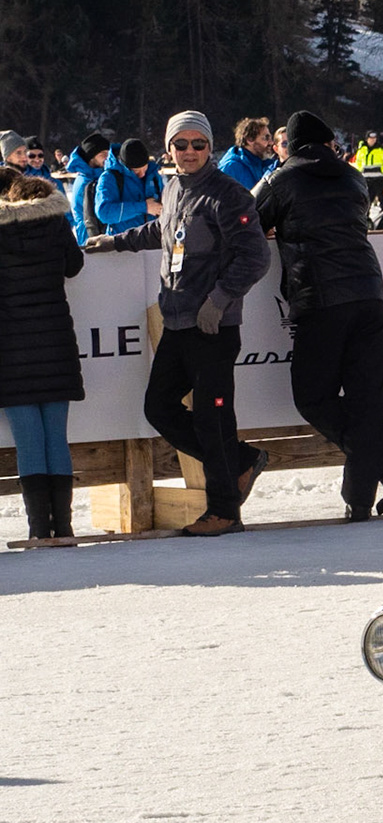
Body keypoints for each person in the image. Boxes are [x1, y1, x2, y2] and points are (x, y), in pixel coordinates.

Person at [94, 110, 272, 537]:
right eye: (181, 144)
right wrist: (115, 241)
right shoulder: (174, 187)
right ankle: (241, 462)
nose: (189, 152)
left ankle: (224, 510)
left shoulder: (228, 195)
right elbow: (164, 231)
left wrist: (219, 301)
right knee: (159, 407)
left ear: (211, 148)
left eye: (198, 144)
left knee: (214, 419)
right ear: (168, 148)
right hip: (176, 321)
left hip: (212, 326)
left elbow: (256, 256)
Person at [253, 111, 383, 522]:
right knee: (367, 402)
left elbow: (248, 219)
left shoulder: (282, 179)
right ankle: (362, 499)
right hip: (369, 291)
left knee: (312, 396)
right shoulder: (352, 178)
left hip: (321, 296)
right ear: (328, 143)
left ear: (289, 146)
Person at [0, 170, 86, 542]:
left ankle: (39, 530)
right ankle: (63, 527)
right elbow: (74, 265)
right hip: (55, 343)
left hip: (10, 349)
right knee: (56, 438)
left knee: (29, 443)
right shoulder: (54, 221)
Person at [95, 139, 164, 236]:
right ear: (125, 166)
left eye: (144, 168)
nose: (142, 175)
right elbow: (104, 213)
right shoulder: (109, 178)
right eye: (136, 171)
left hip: (152, 240)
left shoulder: (153, 174)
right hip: (121, 243)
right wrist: (144, 207)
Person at [64, 132, 112, 243]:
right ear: (91, 157)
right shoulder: (85, 182)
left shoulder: (98, 175)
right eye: (102, 154)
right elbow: (88, 218)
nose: (107, 157)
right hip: (90, 238)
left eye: (108, 153)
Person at [218, 117, 275, 189]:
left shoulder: (265, 165)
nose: (271, 143)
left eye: (270, 138)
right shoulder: (230, 168)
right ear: (250, 139)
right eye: (266, 138)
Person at [352, 130, 383, 209]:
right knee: (368, 198)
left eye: (374, 138)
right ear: (367, 139)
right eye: (371, 138)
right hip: (366, 178)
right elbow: (358, 161)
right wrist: (361, 170)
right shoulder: (362, 150)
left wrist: (382, 171)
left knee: (381, 196)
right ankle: (366, 214)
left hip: (378, 178)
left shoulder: (381, 149)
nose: (373, 140)